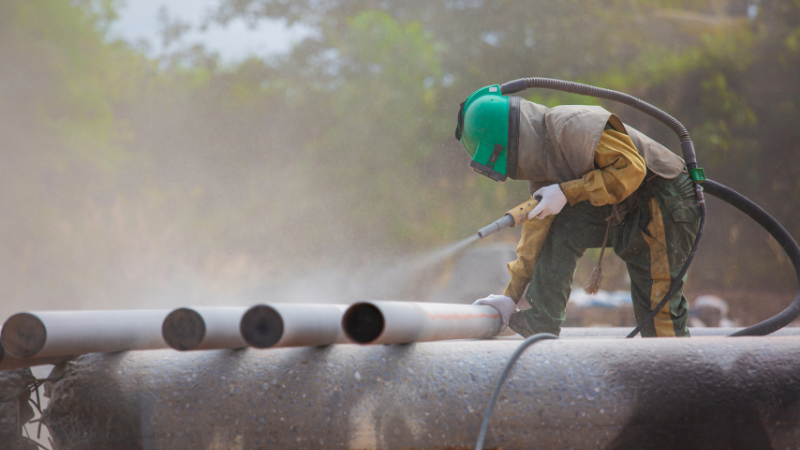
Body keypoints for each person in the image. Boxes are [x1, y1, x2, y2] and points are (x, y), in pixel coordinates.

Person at [455, 84, 701, 337]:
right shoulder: (543, 165)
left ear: (509, 144)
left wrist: (567, 192)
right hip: (627, 204)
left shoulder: (571, 126)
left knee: (659, 318)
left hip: (664, 195)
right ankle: (542, 323)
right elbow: (536, 234)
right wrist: (511, 297)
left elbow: (631, 170)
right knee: (554, 223)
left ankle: (676, 372)